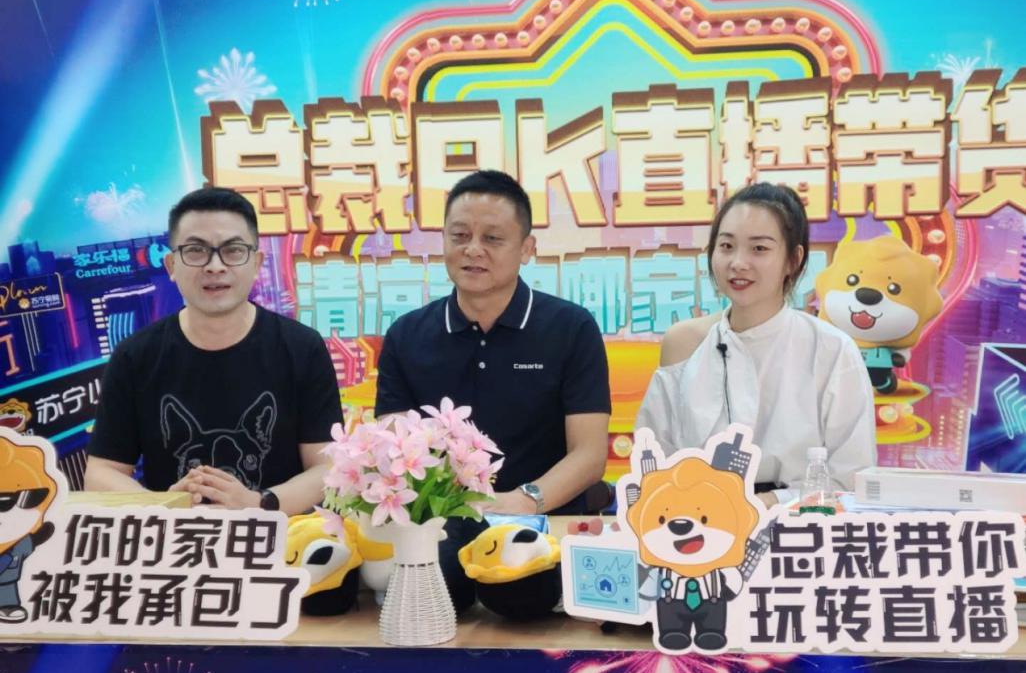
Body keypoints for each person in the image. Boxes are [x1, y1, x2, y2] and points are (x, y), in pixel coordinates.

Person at [84, 187, 342, 514]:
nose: (215, 266)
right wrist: (164, 506)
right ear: (171, 265)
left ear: (257, 263)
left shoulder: (302, 347)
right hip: (174, 538)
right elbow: (101, 472)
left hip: (281, 537)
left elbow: (327, 467)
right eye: (196, 251)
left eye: (233, 250)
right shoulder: (135, 356)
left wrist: (259, 504)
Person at [375, 170, 611, 514]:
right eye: (460, 236)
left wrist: (521, 502)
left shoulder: (571, 328)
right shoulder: (405, 335)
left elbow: (589, 455)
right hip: (436, 525)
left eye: (493, 238)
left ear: (526, 249)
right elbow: (393, 448)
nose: (473, 249)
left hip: (545, 523)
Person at [636, 182, 876, 506]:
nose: (738, 262)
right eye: (726, 246)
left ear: (793, 260)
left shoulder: (832, 350)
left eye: (759, 248)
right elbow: (654, 460)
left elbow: (851, 480)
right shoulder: (684, 343)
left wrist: (764, 504)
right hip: (696, 523)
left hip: (797, 525)